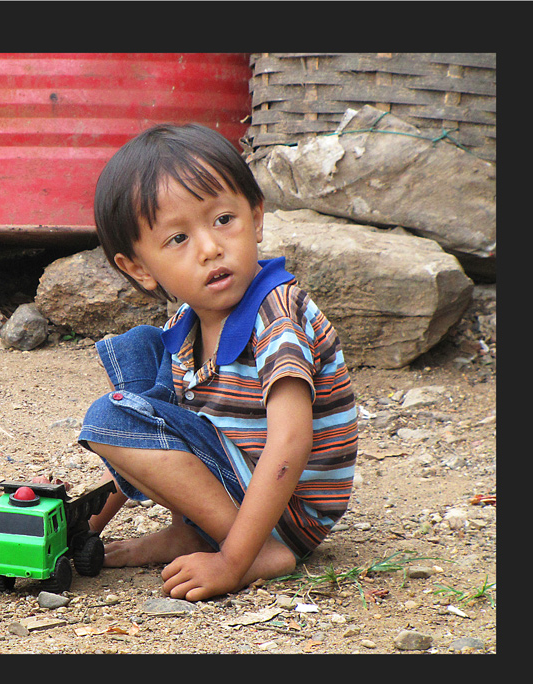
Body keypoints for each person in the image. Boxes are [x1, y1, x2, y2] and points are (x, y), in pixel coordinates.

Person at [74, 123, 358, 602]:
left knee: (111, 415)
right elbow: (152, 429)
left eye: (223, 219)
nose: (210, 248)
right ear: (140, 269)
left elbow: (291, 441)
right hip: (239, 478)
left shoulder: (275, 314)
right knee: (140, 358)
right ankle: (191, 530)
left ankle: (251, 548)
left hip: (287, 508)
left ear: (256, 217)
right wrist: (87, 524)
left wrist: (233, 562)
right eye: (179, 238)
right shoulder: (187, 322)